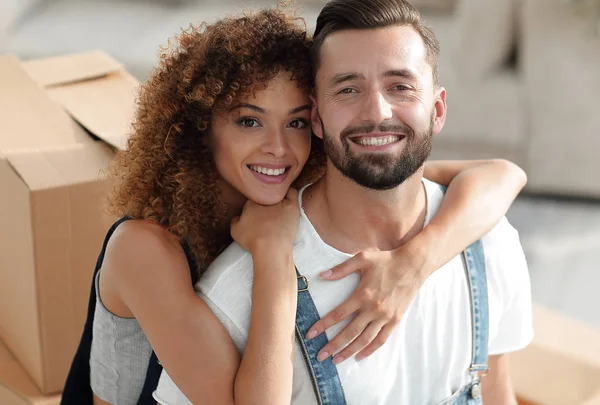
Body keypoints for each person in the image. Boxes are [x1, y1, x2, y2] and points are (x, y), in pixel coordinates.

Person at [61, 4, 528, 405]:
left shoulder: (314, 175)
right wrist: (272, 255)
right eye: (248, 121)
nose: (278, 148)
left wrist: (413, 263)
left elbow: (500, 175)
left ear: (316, 123)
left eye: (296, 123)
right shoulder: (145, 247)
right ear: (201, 128)